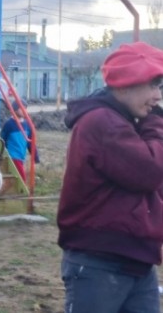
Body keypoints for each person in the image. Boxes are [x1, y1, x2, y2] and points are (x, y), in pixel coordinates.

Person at [57, 41, 163, 313]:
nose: (157, 96)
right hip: (99, 262)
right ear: (125, 84)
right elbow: (150, 171)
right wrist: (157, 124)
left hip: (134, 260)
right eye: (152, 85)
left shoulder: (123, 122)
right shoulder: (103, 122)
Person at [0, 98, 39, 181]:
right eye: (22, 108)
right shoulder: (9, 124)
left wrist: (35, 155)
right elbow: (2, 139)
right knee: (22, 179)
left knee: (13, 181)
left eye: (25, 108)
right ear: (15, 109)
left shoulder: (28, 125)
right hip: (12, 156)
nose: (24, 110)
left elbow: (30, 142)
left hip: (21, 157)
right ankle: (24, 194)